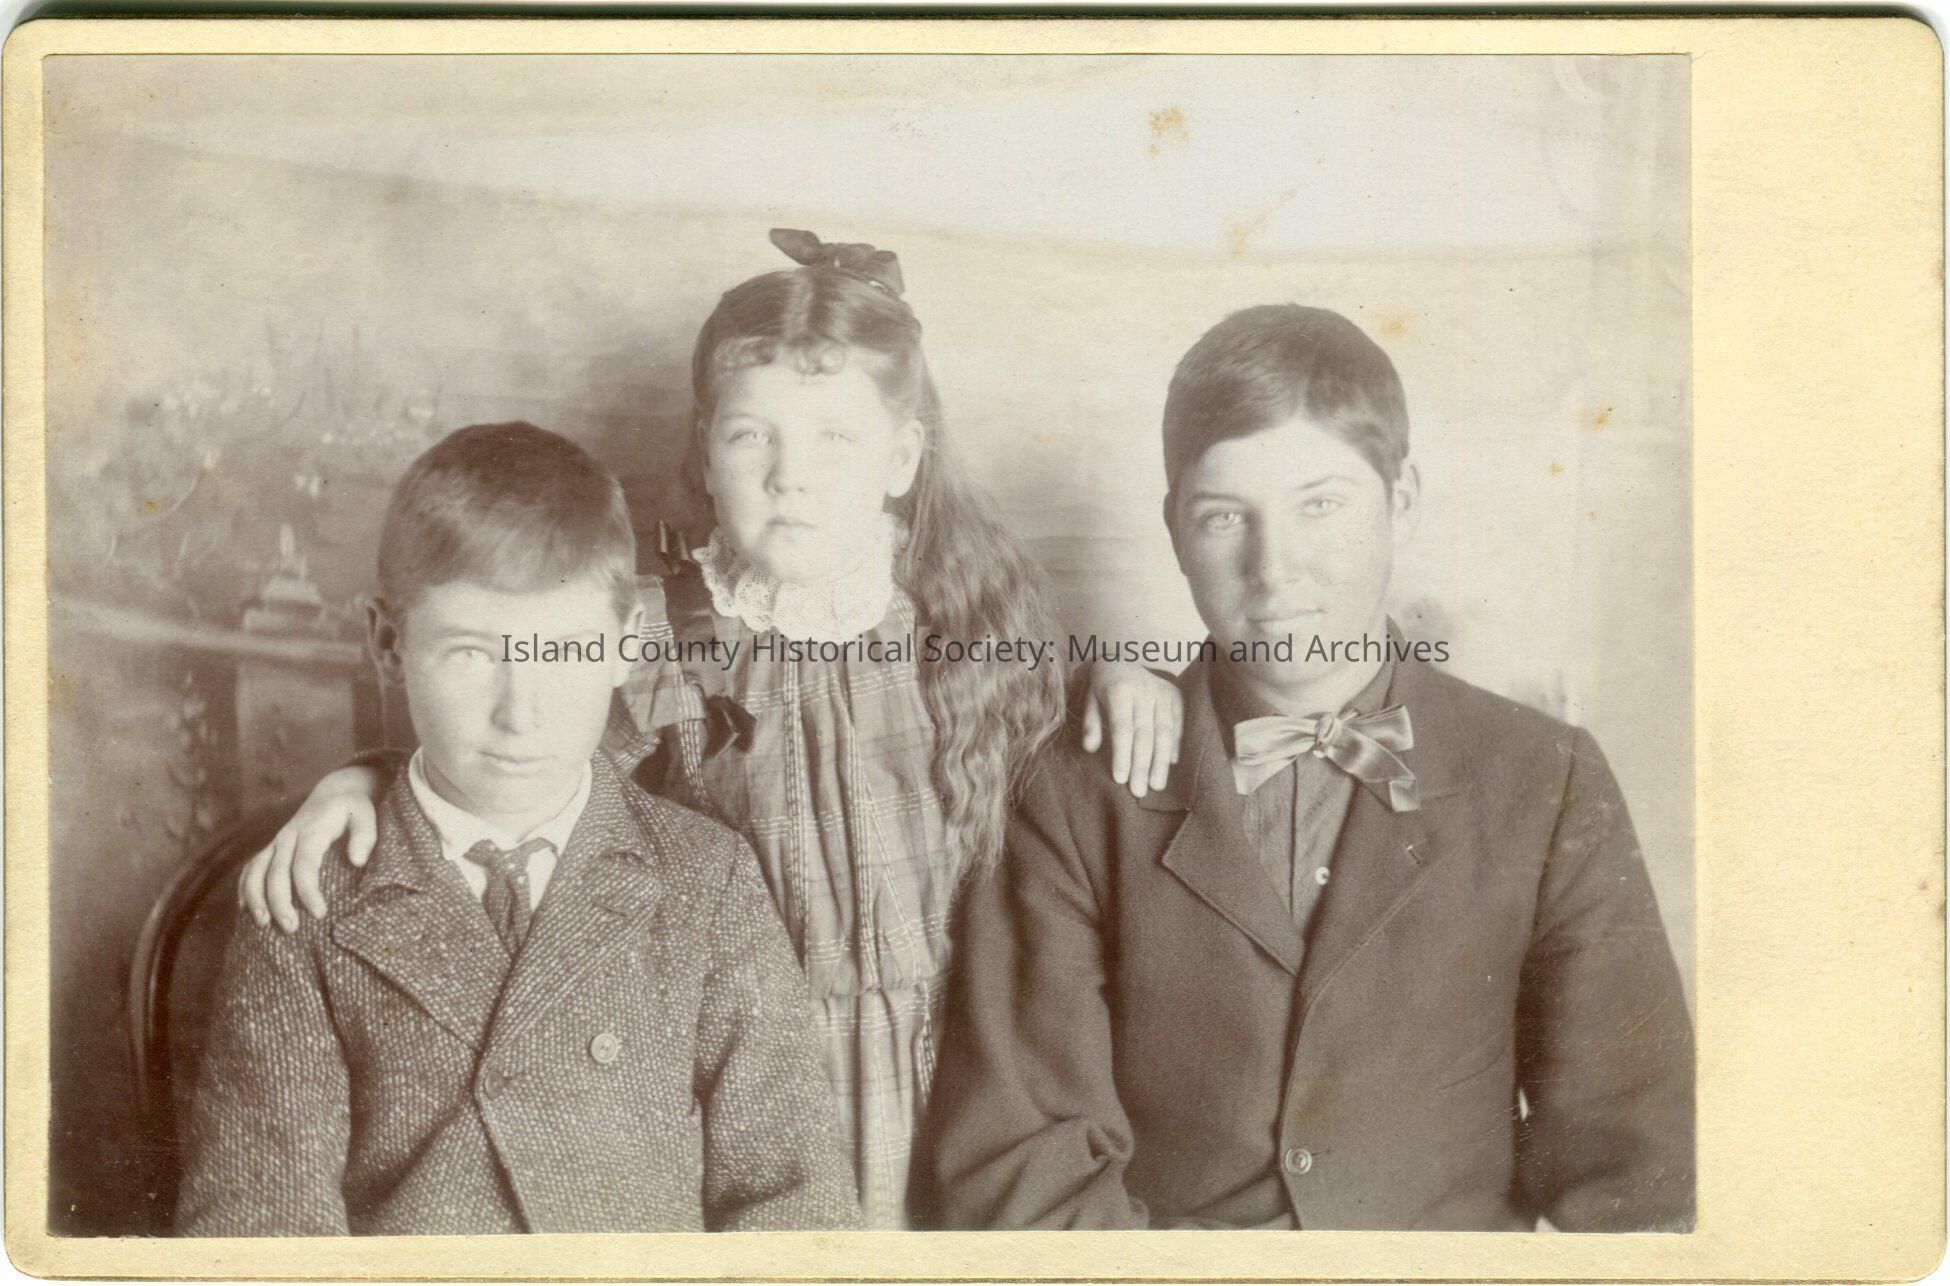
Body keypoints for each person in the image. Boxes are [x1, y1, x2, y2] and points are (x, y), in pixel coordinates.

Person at [232, 230, 1183, 1229]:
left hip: (962, 1073)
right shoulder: (660, 635)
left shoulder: (970, 628)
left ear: (901, 458)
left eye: (834, 439)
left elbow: (1060, 767)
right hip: (727, 1076)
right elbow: (517, 762)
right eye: (751, 437)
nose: (790, 476)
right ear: (705, 451)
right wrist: (362, 779)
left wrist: (1126, 677)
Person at [926, 304, 1695, 1232]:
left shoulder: (1545, 777)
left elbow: (1635, 1172)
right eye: (1223, 517)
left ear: (1401, 501)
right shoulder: (1072, 793)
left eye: (1320, 505)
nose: (1274, 567)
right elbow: (1021, 1165)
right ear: (1174, 529)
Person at [178, 423, 859, 1235]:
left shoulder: (707, 879)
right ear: (388, 644)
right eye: (471, 655)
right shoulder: (308, 898)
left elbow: (796, 1200)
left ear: (628, 647)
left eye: (564, 653)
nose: (520, 713)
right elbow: (260, 1225)